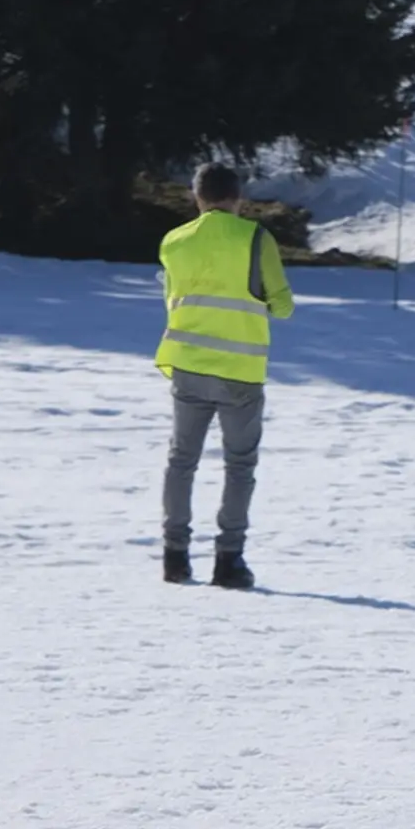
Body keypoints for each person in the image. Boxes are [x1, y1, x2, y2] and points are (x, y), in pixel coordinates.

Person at [156, 161, 295, 590]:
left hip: (188, 365)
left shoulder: (173, 241)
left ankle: (175, 557)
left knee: (182, 461)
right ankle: (229, 561)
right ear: (238, 199)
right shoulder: (256, 238)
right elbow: (283, 305)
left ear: (196, 197)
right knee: (239, 464)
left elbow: (172, 299)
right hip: (239, 370)